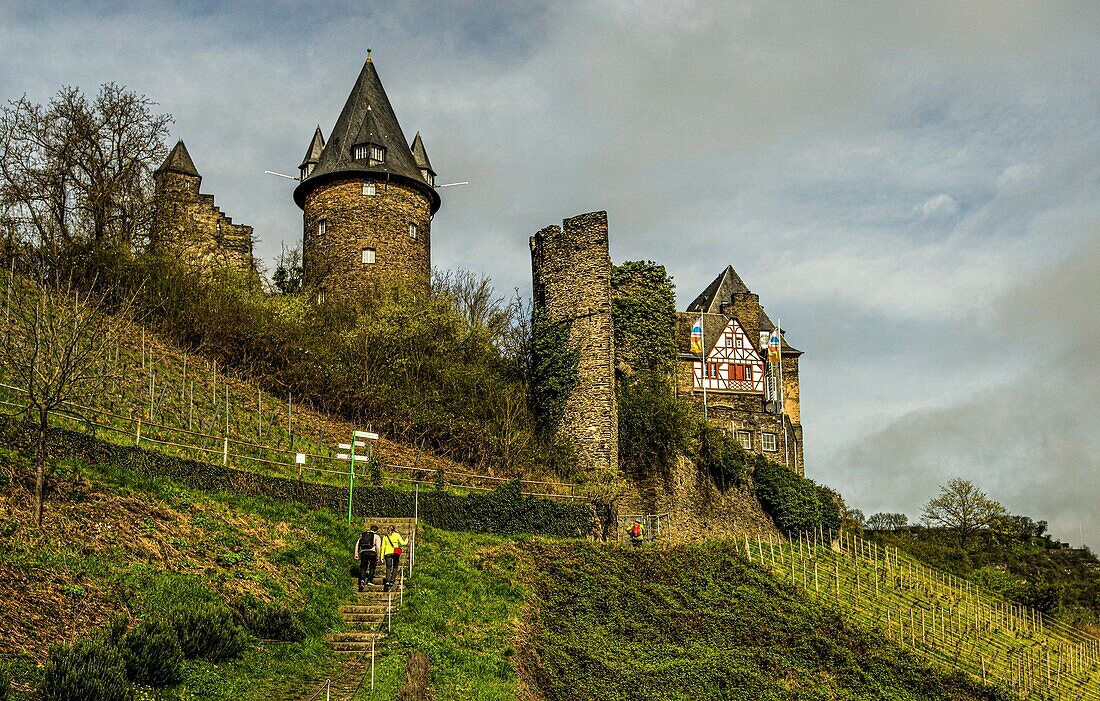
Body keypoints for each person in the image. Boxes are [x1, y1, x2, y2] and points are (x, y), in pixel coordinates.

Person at [381, 525, 408, 592]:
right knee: (395, 566)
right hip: (395, 552)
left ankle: (387, 581)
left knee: (388, 567)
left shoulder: (385, 537)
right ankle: (392, 580)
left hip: (387, 553)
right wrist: (407, 539)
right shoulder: (397, 535)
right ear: (394, 530)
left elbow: (383, 547)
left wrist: (381, 557)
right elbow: (403, 543)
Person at [355, 524, 380, 592]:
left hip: (363, 552)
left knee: (363, 567)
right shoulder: (376, 536)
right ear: (376, 531)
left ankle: (362, 580)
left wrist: (356, 553)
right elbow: (377, 547)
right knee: (372, 567)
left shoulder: (363, 535)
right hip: (372, 552)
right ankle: (369, 580)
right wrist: (378, 556)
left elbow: (357, 544)